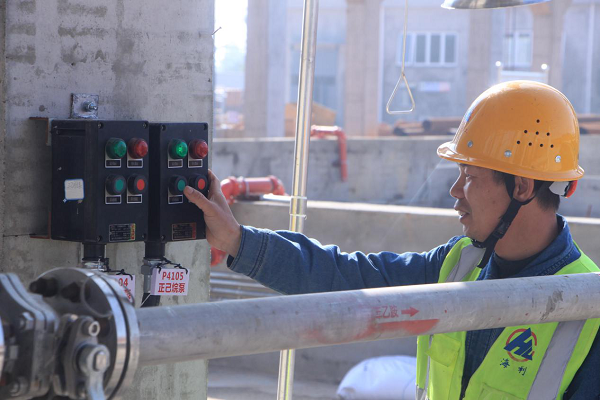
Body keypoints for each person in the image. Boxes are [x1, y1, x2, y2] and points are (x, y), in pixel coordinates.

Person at [184, 81, 600, 399]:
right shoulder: (457, 266)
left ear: (523, 187)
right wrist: (239, 239)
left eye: (470, 177)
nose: (456, 191)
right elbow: (344, 278)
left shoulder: (589, 313)